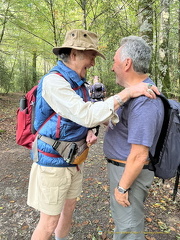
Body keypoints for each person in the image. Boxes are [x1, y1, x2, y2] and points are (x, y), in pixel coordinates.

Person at [27, 29, 160, 240]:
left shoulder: (79, 84)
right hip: (52, 163)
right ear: (74, 54)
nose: (93, 62)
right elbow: (84, 113)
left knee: (68, 211)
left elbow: (80, 114)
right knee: (49, 221)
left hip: (73, 161)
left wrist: (88, 129)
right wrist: (126, 93)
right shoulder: (55, 82)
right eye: (91, 56)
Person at [103, 36, 164, 240]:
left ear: (127, 63)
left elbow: (139, 155)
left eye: (114, 61)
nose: (112, 68)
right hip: (123, 169)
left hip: (129, 174)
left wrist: (122, 188)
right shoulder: (135, 94)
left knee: (129, 230)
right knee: (125, 225)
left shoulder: (145, 102)